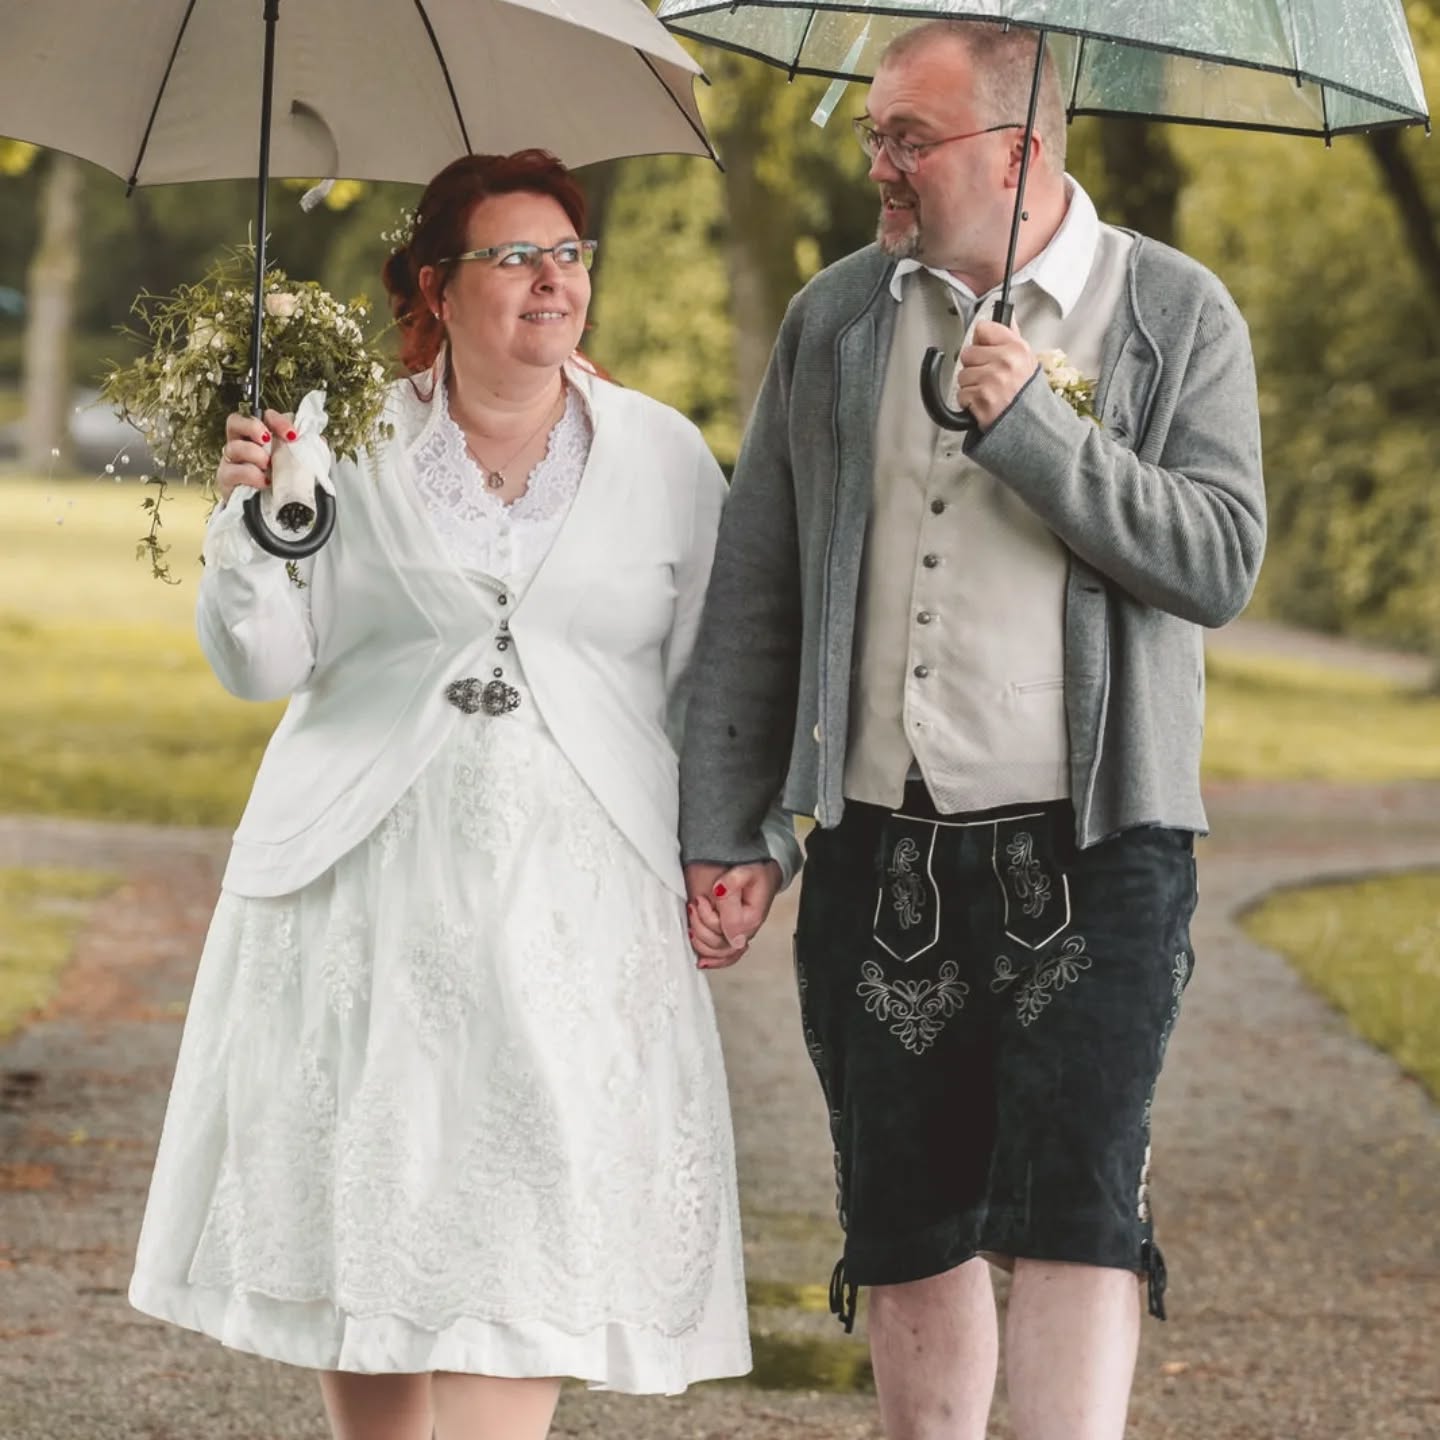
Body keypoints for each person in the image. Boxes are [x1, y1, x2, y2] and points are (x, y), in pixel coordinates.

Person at [129, 148, 799, 1440]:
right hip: (364, 892)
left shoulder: (660, 457)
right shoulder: (342, 440)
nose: (554, 282)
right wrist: (253, 525)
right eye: (517, 258)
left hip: (576, 906)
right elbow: (261, 661)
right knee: (372, 1211)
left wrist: (745, 842)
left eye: (570, 257)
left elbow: (724, 677)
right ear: (438, 287)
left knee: (524, 1218)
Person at [680, 20, 1265, 1440]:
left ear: (1016, 155)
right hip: (881, 844)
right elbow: (761, 582)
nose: (878, 163)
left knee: (1076, 1210)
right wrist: (728, 823)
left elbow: (1219, 557)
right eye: (875, 132)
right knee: (906, 1219)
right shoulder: (835, 319)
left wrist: (1043, 436)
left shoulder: (1176, 313)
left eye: (908, 140)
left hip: (1100, 852)